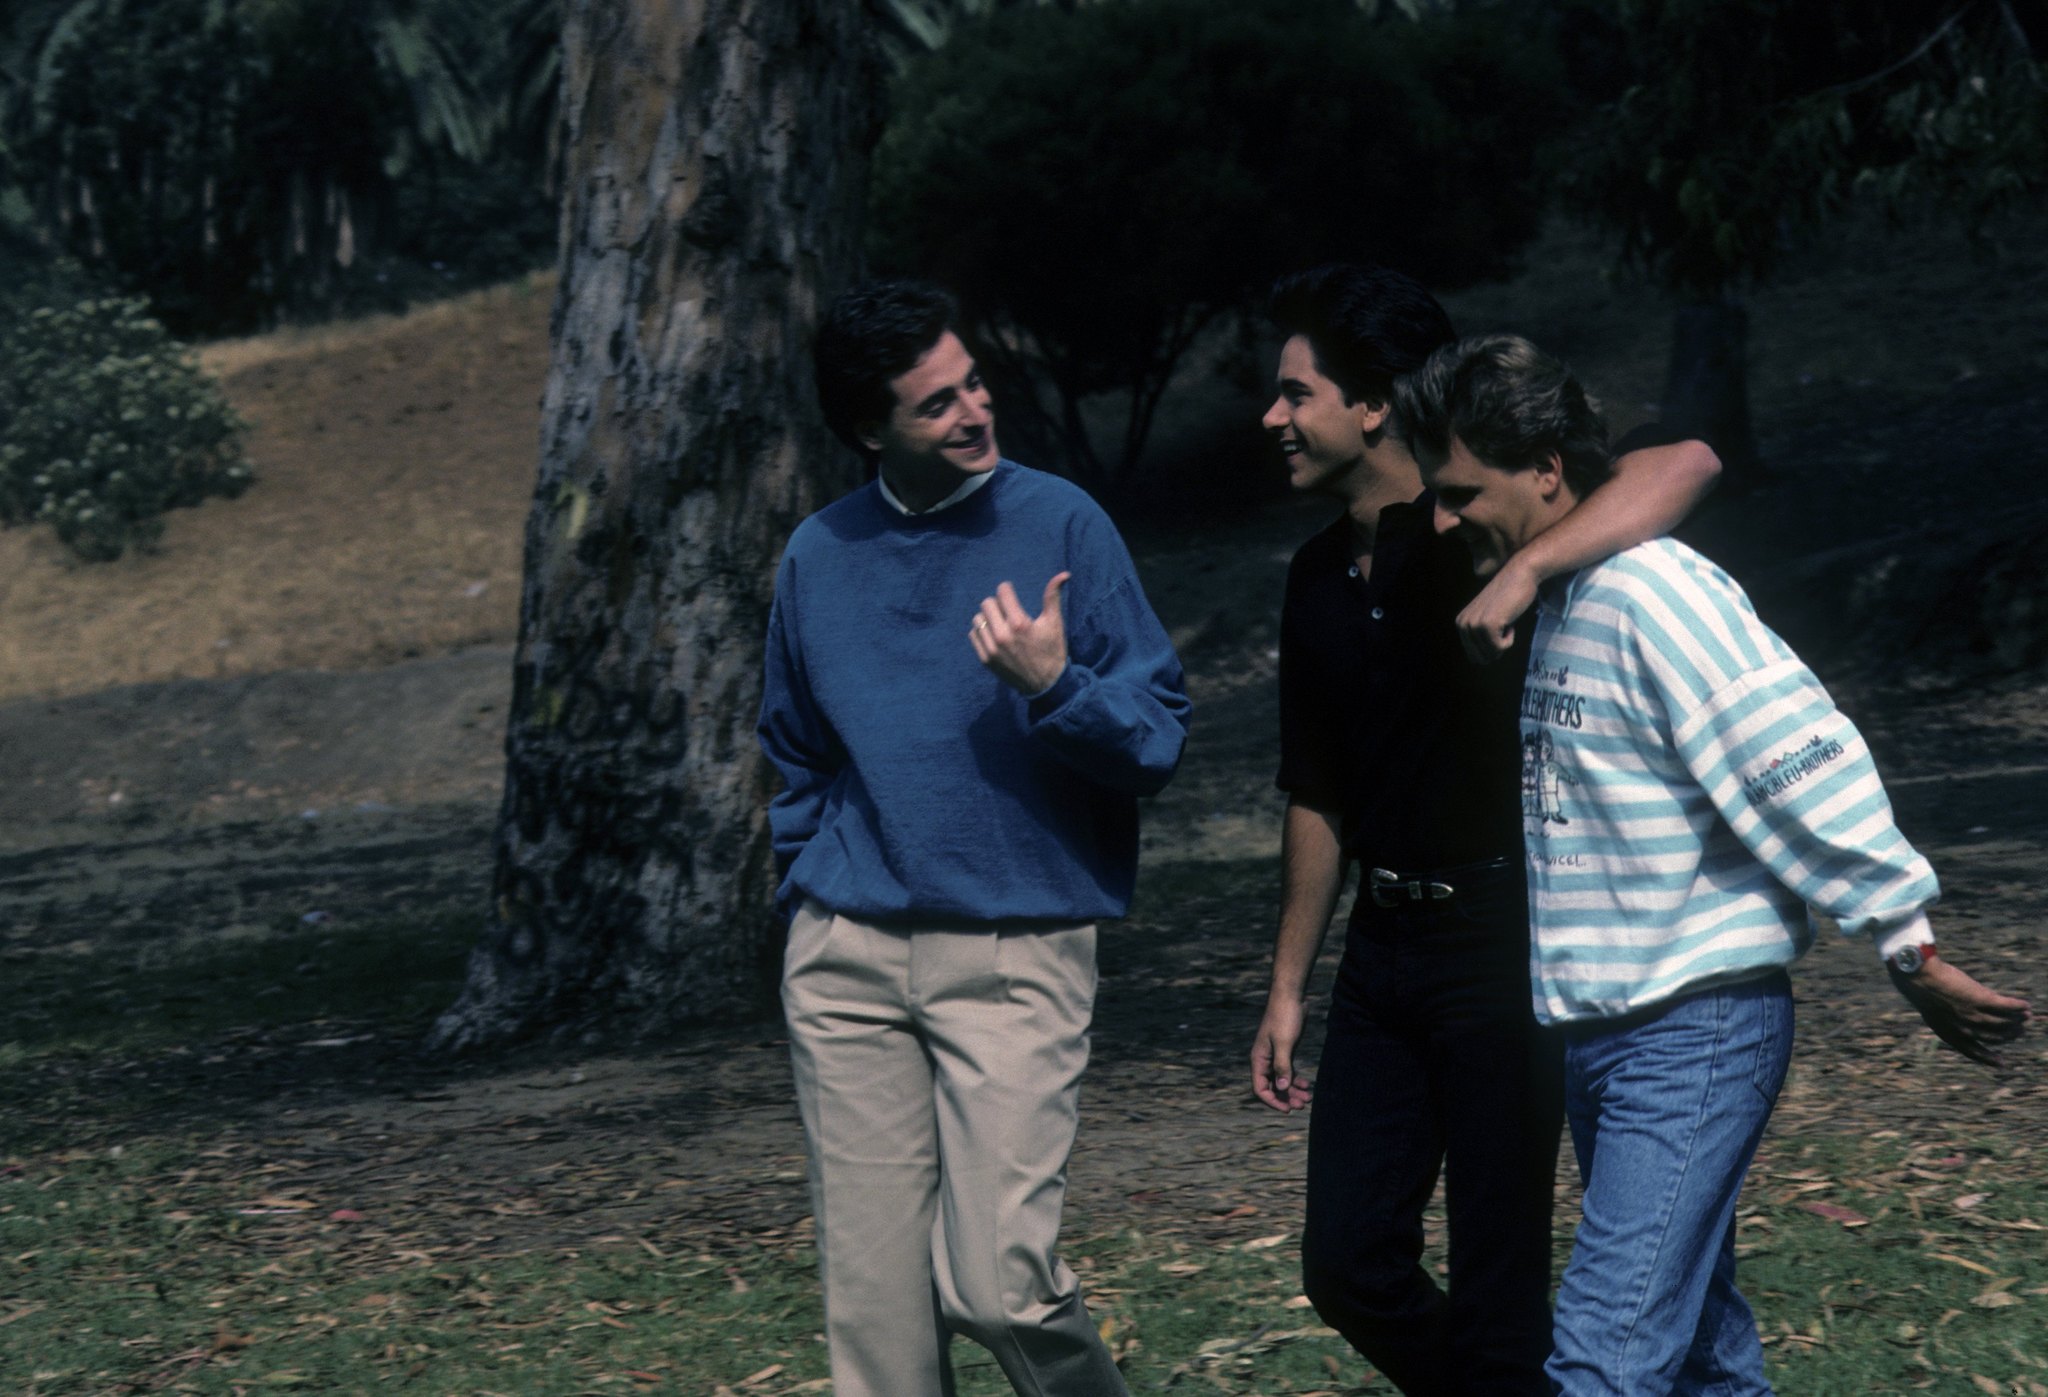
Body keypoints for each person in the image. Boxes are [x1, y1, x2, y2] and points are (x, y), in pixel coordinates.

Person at [1398, 332, 2032, 1397]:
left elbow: (1795, 760)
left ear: (1546, 468)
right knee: (1700, 1354)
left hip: (1689, 1031)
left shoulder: (1655, 592)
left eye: (1460, 492)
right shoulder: (1561, 595)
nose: (1441, 518)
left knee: (1601, 1360)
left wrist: (1902, 939)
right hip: (1606, 1035)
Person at [1247, 263, 1722, 1395]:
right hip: (1380, 952)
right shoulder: (1314, 576)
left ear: (1370, 405)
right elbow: (1315, 787)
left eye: (1293, 393)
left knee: (1499, 1280)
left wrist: (1522, 573)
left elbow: (1687, 458)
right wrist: (1285, 986)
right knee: (1345, 1261)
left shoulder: (1473, 524)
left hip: (1504, 940)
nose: (1269, 418)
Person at [757, 278, 1190, 1397]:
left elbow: (1155, 742)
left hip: (1016, 950)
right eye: (934, 404)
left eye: (973, 383)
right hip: (846, 956)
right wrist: (806, 893)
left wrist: (1056, 686)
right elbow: (795, 751)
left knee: (998, 1284)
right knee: (877, 1323)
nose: (972, 412)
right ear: (868, 430)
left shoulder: (1059, 524)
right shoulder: (817, 555)